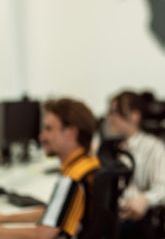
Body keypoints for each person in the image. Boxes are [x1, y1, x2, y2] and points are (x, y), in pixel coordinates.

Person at [0, 98, 100, 239]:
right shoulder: (89, 164)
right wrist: (5, 219)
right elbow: (54, 213)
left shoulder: (73, 178)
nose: (42, 136)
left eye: (49, 129)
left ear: (71, 132)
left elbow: (44, 234)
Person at [106, 91, 165, 239]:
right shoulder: (108, 148)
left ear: (134, 115)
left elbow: (164, 190)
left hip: (137, 223)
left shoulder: (155, 148)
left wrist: (145, 199)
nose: (110, 119)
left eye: (115, 113)